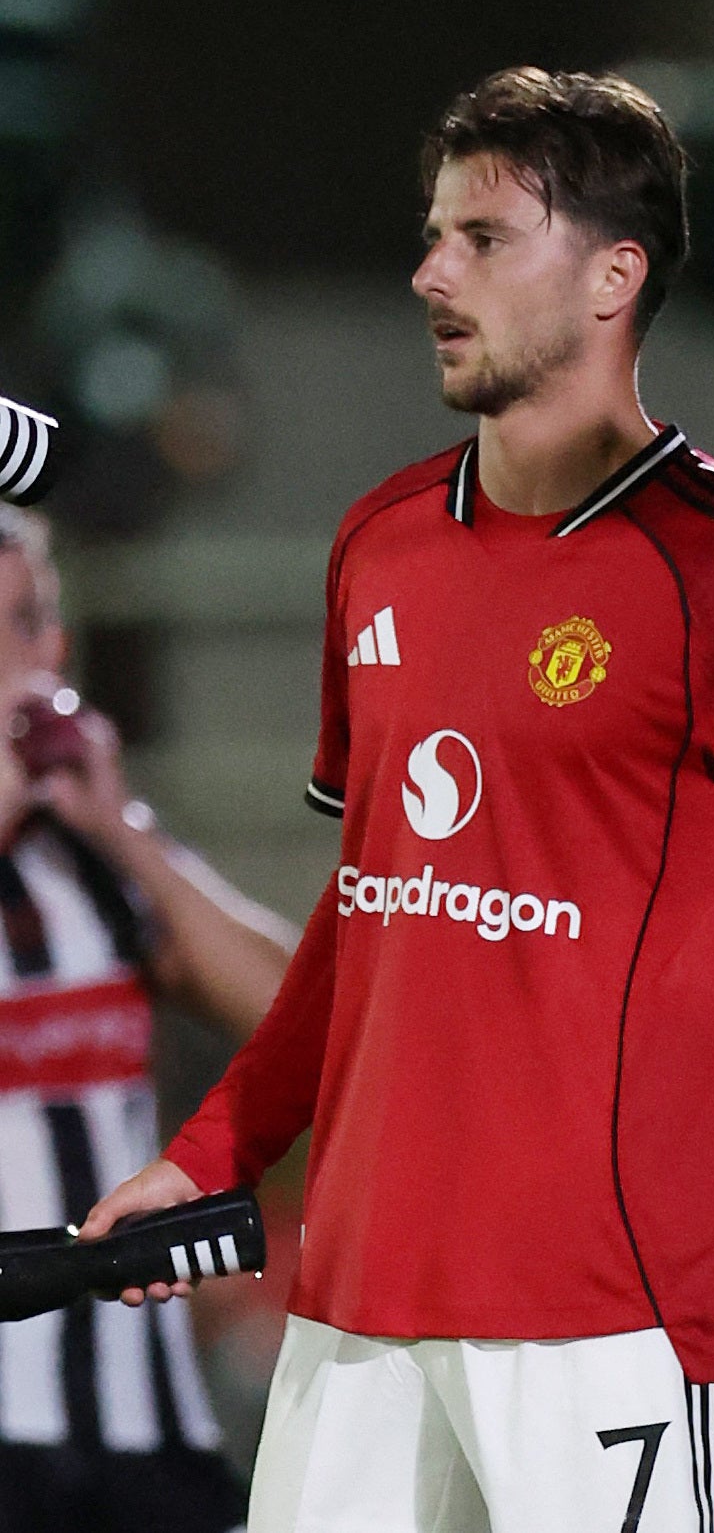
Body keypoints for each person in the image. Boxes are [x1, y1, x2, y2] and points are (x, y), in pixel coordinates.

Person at [80, 68, 714, 1533]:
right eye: (435, 234)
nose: (431, 271)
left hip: (614, 1322)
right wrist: (209, 1152)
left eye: (486, 238)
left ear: (615, 276)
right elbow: (374, 911)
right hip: (359, 1306)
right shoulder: (380, 543)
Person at [0, 505, 292, 1533]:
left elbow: (304, 1020)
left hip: (146, 1423)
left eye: (27, 623)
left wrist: (123, 833)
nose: (13, 660)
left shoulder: (97, 849)